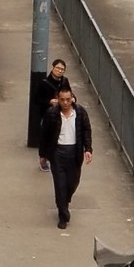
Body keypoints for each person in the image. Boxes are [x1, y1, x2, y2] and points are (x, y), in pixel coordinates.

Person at [38, 86, 93, 230]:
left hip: (74, 152)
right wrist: (43, 155)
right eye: (62, 100)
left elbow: (87, 131)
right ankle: (63, 215)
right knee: (60, 184)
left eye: (68, 99)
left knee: (72, 182)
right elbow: (44, 135)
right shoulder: (51, 114)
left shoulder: (80, 113)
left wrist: (88, 149)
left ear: (72, 98)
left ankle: (64, 201)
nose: (65, 103)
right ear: (58, 99)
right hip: (57, 152)